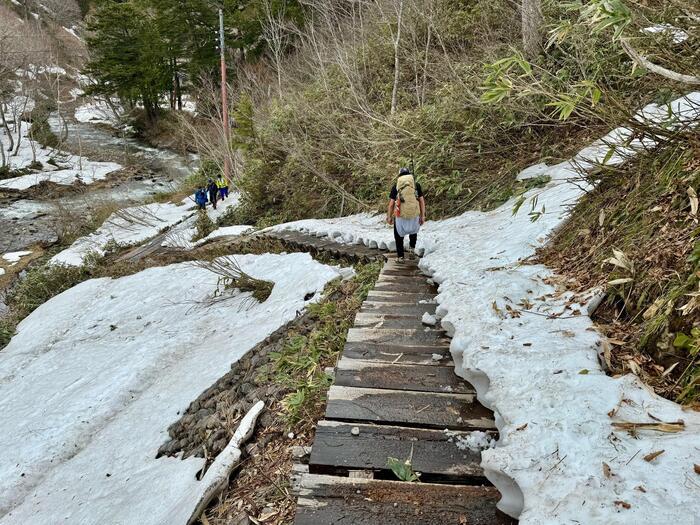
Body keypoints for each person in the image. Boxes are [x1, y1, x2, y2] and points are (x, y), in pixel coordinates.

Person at [386, 167, 426, 262]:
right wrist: (422, 215)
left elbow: (391, 204)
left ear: (399, 176)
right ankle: (412, 250)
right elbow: (421, 201)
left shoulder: (396, 186)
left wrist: (389, 216)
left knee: (398, 236)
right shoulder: (416, 185)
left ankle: (400, 257)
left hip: (400, 215)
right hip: (414, 214)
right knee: (413, 232)